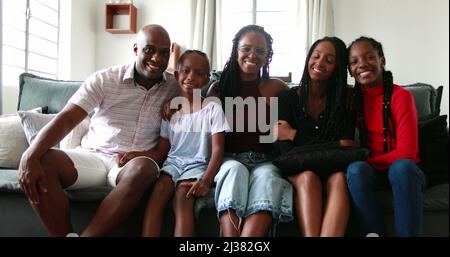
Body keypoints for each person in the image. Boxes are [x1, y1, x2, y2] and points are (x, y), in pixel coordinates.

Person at [18, 24, 180, 237]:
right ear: (135, 49)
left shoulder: (175, 88)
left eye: (164, 52)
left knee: (144, 169)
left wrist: (211, 91)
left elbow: (204, 102)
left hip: (132, 165)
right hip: (92, 158)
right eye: (149, 49)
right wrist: (31, 153)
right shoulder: (105, 79)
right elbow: (67, 119)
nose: (157, 58)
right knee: (43, 159)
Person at [208, 24, 293, 237]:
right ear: (236, 50)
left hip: (266, 160)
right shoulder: (218, 88)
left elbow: (302, 111)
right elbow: (199, 118)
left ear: (268, 57)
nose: (252, 55)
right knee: (234, 172)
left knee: (267, 179)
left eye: (260, 51)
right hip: (230, 158)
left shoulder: (277, 87)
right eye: (246, 48)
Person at [141, 50, 229, 237]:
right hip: (172, 165)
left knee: (182, 200)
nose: (191, 77)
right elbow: (161, 150)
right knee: (157, 196)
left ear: (206, 79)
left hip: (198, 166)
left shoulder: (212, 108)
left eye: (199, 74)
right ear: (176, 75)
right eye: (186, 71)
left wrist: (206, 180)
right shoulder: (170, 110)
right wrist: (135, 155)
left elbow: (218, 150)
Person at [274, 37, 355, 236]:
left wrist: (294, 134)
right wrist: (332, 145)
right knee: (309, 178)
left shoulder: (347, 100)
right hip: (298, 169)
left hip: (332, 169)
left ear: (338, 67)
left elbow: (347, 146)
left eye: (329, 60)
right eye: (316, 56)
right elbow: (286, 152)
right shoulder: (286, 99)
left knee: (339, 179)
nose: (319, 63)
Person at [346, 36, 425, 237]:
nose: (362, 64)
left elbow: (407, 153)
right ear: (349, 70)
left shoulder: (401, 96)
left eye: (369, 57)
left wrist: (369, 159)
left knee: (401, 167)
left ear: (382, 60)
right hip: (373, 173)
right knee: (355, 170)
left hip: (406, 172)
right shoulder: (352, 101)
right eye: (354, 61)